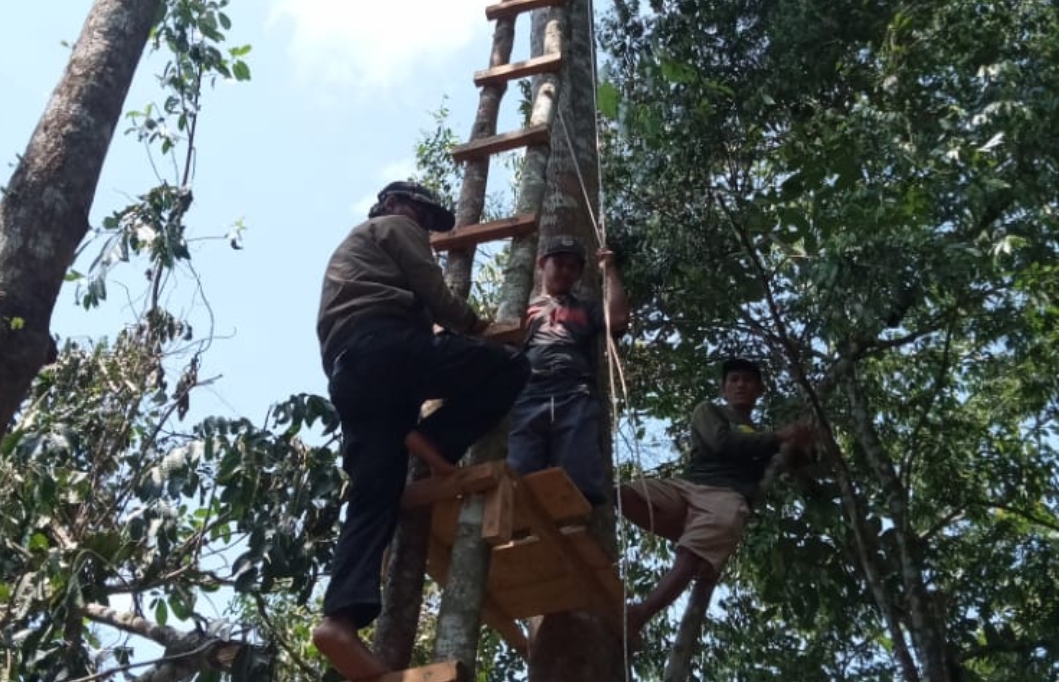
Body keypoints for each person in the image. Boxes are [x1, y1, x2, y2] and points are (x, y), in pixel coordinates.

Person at [312, 180, 531, 681]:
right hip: (384, 345)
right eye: (421, 213)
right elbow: (434, 293)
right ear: (393, 204)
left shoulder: (357, 252)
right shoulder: (392, 227)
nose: (425, 227)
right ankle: (431, 440)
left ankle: (339, 622)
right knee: (512, 367)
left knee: (373, 500)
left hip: (350, 372)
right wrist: (474, 325)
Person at [619, 357, 815, 649]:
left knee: (690, 556)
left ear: (759, 390)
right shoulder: (709, 411)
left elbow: (803, 467)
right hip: (689, 487)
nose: (740, 385)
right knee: (621, 494)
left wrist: (805, 442)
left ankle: (640, 615)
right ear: (723, 389)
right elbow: (721, 443)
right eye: (733, 380)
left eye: (747, 381)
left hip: (727, 498)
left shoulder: (768, 441)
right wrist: (778, 437)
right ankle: (691, 538)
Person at [506, 235, 630, 506]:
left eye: (572, 267)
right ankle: (520, 528)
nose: (565, 271)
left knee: (577, 473)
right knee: (518, 469)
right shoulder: (521, 311)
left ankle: (570, 525)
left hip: (573, 389)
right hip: (528, 389)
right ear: (541, 264)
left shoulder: (584, 309)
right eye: (559, 263)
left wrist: (608, 269)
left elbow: (618, 318)